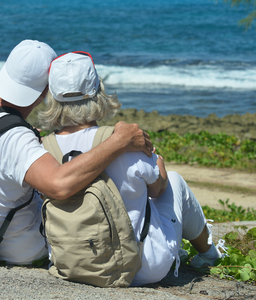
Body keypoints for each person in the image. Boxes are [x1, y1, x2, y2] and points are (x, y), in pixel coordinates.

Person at [0, 40, 153, 265]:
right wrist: (118, 141)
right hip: (18, 247)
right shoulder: (17, 138)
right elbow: (60, 186)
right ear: (47, 91)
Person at [39, 51, 226, 285]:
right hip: (141, 267)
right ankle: (209, 255)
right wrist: (157, 160)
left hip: (71, 264)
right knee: (175, 181)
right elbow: (158, 189)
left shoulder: (43, 149)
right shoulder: (123, 141)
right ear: (98, 92)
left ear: (52, 98)